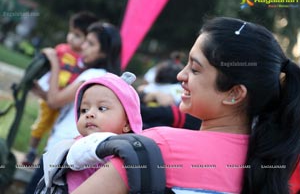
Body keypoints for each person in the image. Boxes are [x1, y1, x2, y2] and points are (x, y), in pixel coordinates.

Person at [66, 17, 300, 194]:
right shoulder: (273, 170)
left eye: (195, 69)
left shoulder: (159, 147)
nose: (181, 75)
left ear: (234, 93)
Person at [23, 21, 122, 194]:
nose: (83, 46)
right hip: (71, 150)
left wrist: (55, 62)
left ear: (104, 52)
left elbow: (54, 101)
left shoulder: (92, 76)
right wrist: (42, 93)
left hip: (63, 150)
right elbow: (64, 104)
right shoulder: (104, 78)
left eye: (91, 43)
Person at [22, 11, 98, 166]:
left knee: (56, 130)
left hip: (66, 102)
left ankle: (47, 154)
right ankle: (31, 151)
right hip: (50, 94)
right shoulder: (61, 50)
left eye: (77, 35)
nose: (71, 37)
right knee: (42, 123)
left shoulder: (85, 60)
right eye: (71, 32)